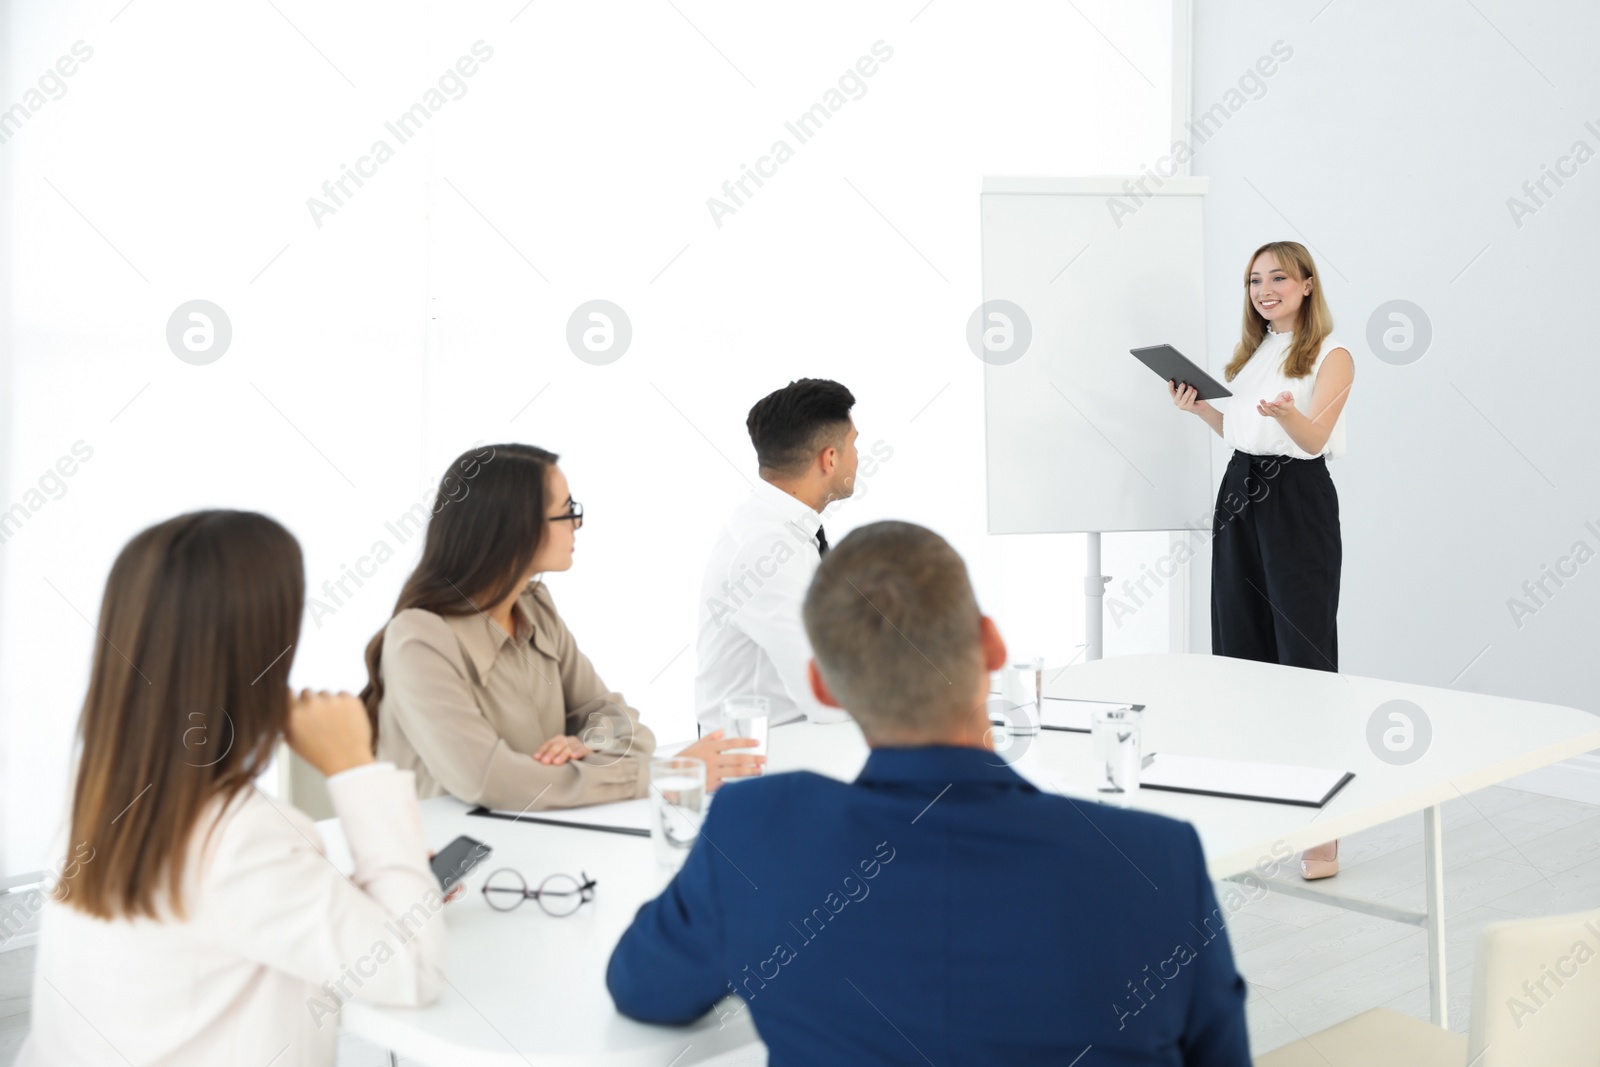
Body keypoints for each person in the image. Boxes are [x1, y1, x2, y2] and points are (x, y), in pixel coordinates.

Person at [609, 521, 1250, 1065]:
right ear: (993, 645)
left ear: (823, 685)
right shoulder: (1160, 859)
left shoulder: (755, 830)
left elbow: (641, 986)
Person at [18, 511, 447, 1067]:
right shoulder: (239, 835)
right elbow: (417, 971)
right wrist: (353, 767)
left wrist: (357, 889)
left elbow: (226, 914)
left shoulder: (101, 793)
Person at [366, 443, 760, 808]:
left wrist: (587, 741)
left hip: (544, 835)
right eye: (567, 510)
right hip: (451, 864)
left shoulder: (535, 607)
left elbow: (626, 727)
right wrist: (662, 775)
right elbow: (490, 781)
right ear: (515, 527)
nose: (577, 523)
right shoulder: (419, 638)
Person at [1168, 239, 1353, 880]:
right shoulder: (1253, 358)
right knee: (1240, 644)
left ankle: (1323, 831)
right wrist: (1203, 412)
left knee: (1303, 655)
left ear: (1307, 284)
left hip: (1297, 497)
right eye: (1253, 280)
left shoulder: (1332, 354)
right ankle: (1257, 812)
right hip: (1240, 489)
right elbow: (1245, 434)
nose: (1264, 289)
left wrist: (1289, 414)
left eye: (1278, 277)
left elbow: (1313, 438)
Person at [695, 378, 860, 733]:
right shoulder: (767, 549)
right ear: (830, 459)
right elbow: (825, 699)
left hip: (792, 740)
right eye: (853, 445)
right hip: (762, 757)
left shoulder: (783, 530)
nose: (857, 458)